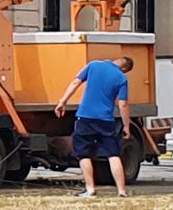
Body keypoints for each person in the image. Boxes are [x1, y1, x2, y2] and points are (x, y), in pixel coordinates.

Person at [54, 56, 134, 197]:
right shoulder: (121, 78)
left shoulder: (93, 65)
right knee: (113, 154)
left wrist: (62, 102)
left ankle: (90, 189)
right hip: (106, 120)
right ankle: (121, 191)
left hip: (85, 117)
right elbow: (123, 104)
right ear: (124, 69)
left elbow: (75, 82)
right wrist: (126, 126)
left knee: (83, 153)